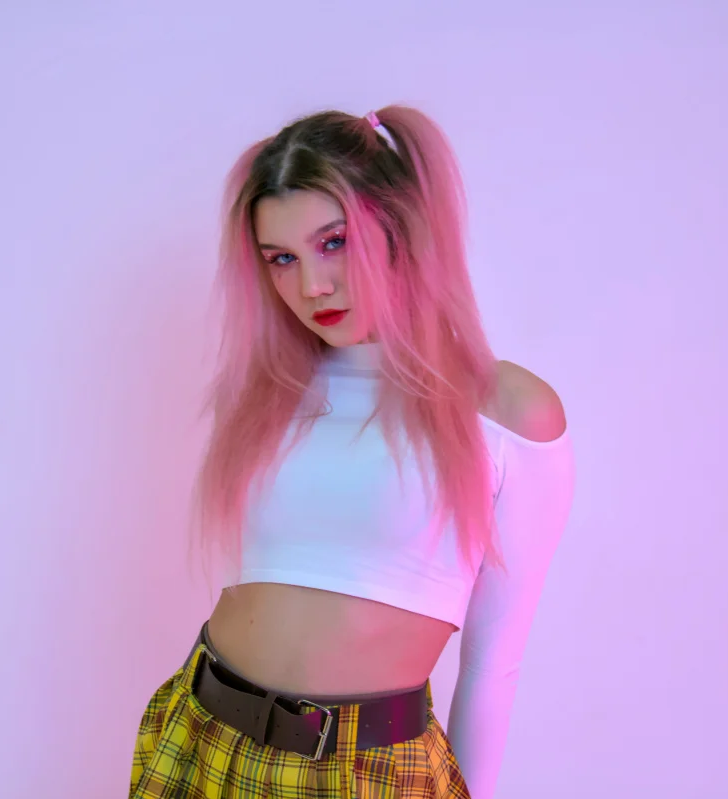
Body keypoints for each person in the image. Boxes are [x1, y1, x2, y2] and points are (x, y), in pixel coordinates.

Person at [130, 105, 576, 799]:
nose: (312, 286)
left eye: (333, 243)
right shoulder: (267, 396)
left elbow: (494, 665)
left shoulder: (508, 414)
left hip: (367, 774)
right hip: (201, 737)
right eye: (282, 259)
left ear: (399, 226)